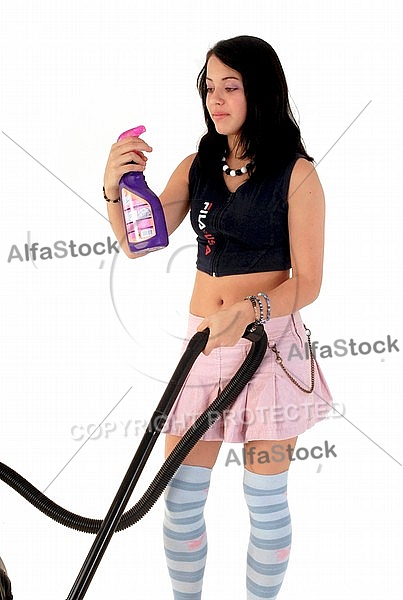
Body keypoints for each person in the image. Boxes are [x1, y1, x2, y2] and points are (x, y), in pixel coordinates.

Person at [104, 35, 333, 600]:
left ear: (262, 90)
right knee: (179, 503)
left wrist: (248, 312)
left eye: (231, 85)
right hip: (202, 348)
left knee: (266, 502)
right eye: (210, 86)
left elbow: (309, 282)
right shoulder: (197, 163)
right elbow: (141, 242)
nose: (217, 98)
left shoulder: (297, 175)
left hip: (269, 346)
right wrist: (116, 188)